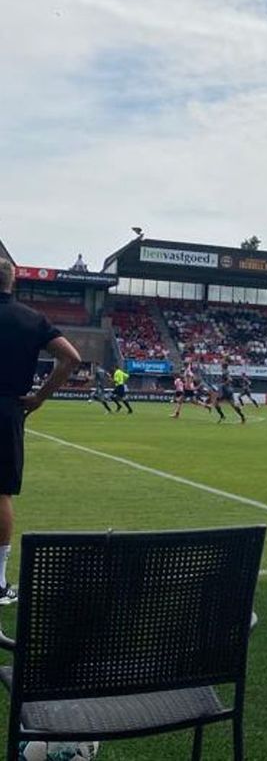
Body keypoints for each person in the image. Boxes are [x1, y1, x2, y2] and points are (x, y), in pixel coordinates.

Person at [0, 258, 81, 604]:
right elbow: (72, 358)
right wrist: (39, 398)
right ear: (13, 281)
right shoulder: (31, 319)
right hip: (7, 410)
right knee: (0, 493)